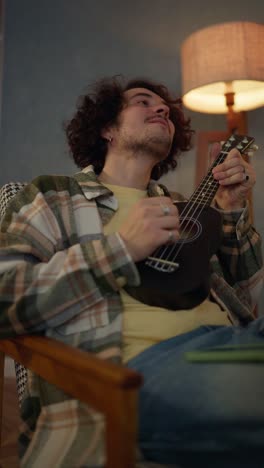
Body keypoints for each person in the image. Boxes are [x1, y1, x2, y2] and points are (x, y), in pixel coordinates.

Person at [0, 76, 263, 468]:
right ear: (107, 127)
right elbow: (6, 297)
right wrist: (120, 248)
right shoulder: (53, 196)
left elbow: (247, 295)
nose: (163, 111)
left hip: (235, 341)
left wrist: (232, 210)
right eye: (144, 102)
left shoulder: (185, 207)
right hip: (138, 372)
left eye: (168, 111)